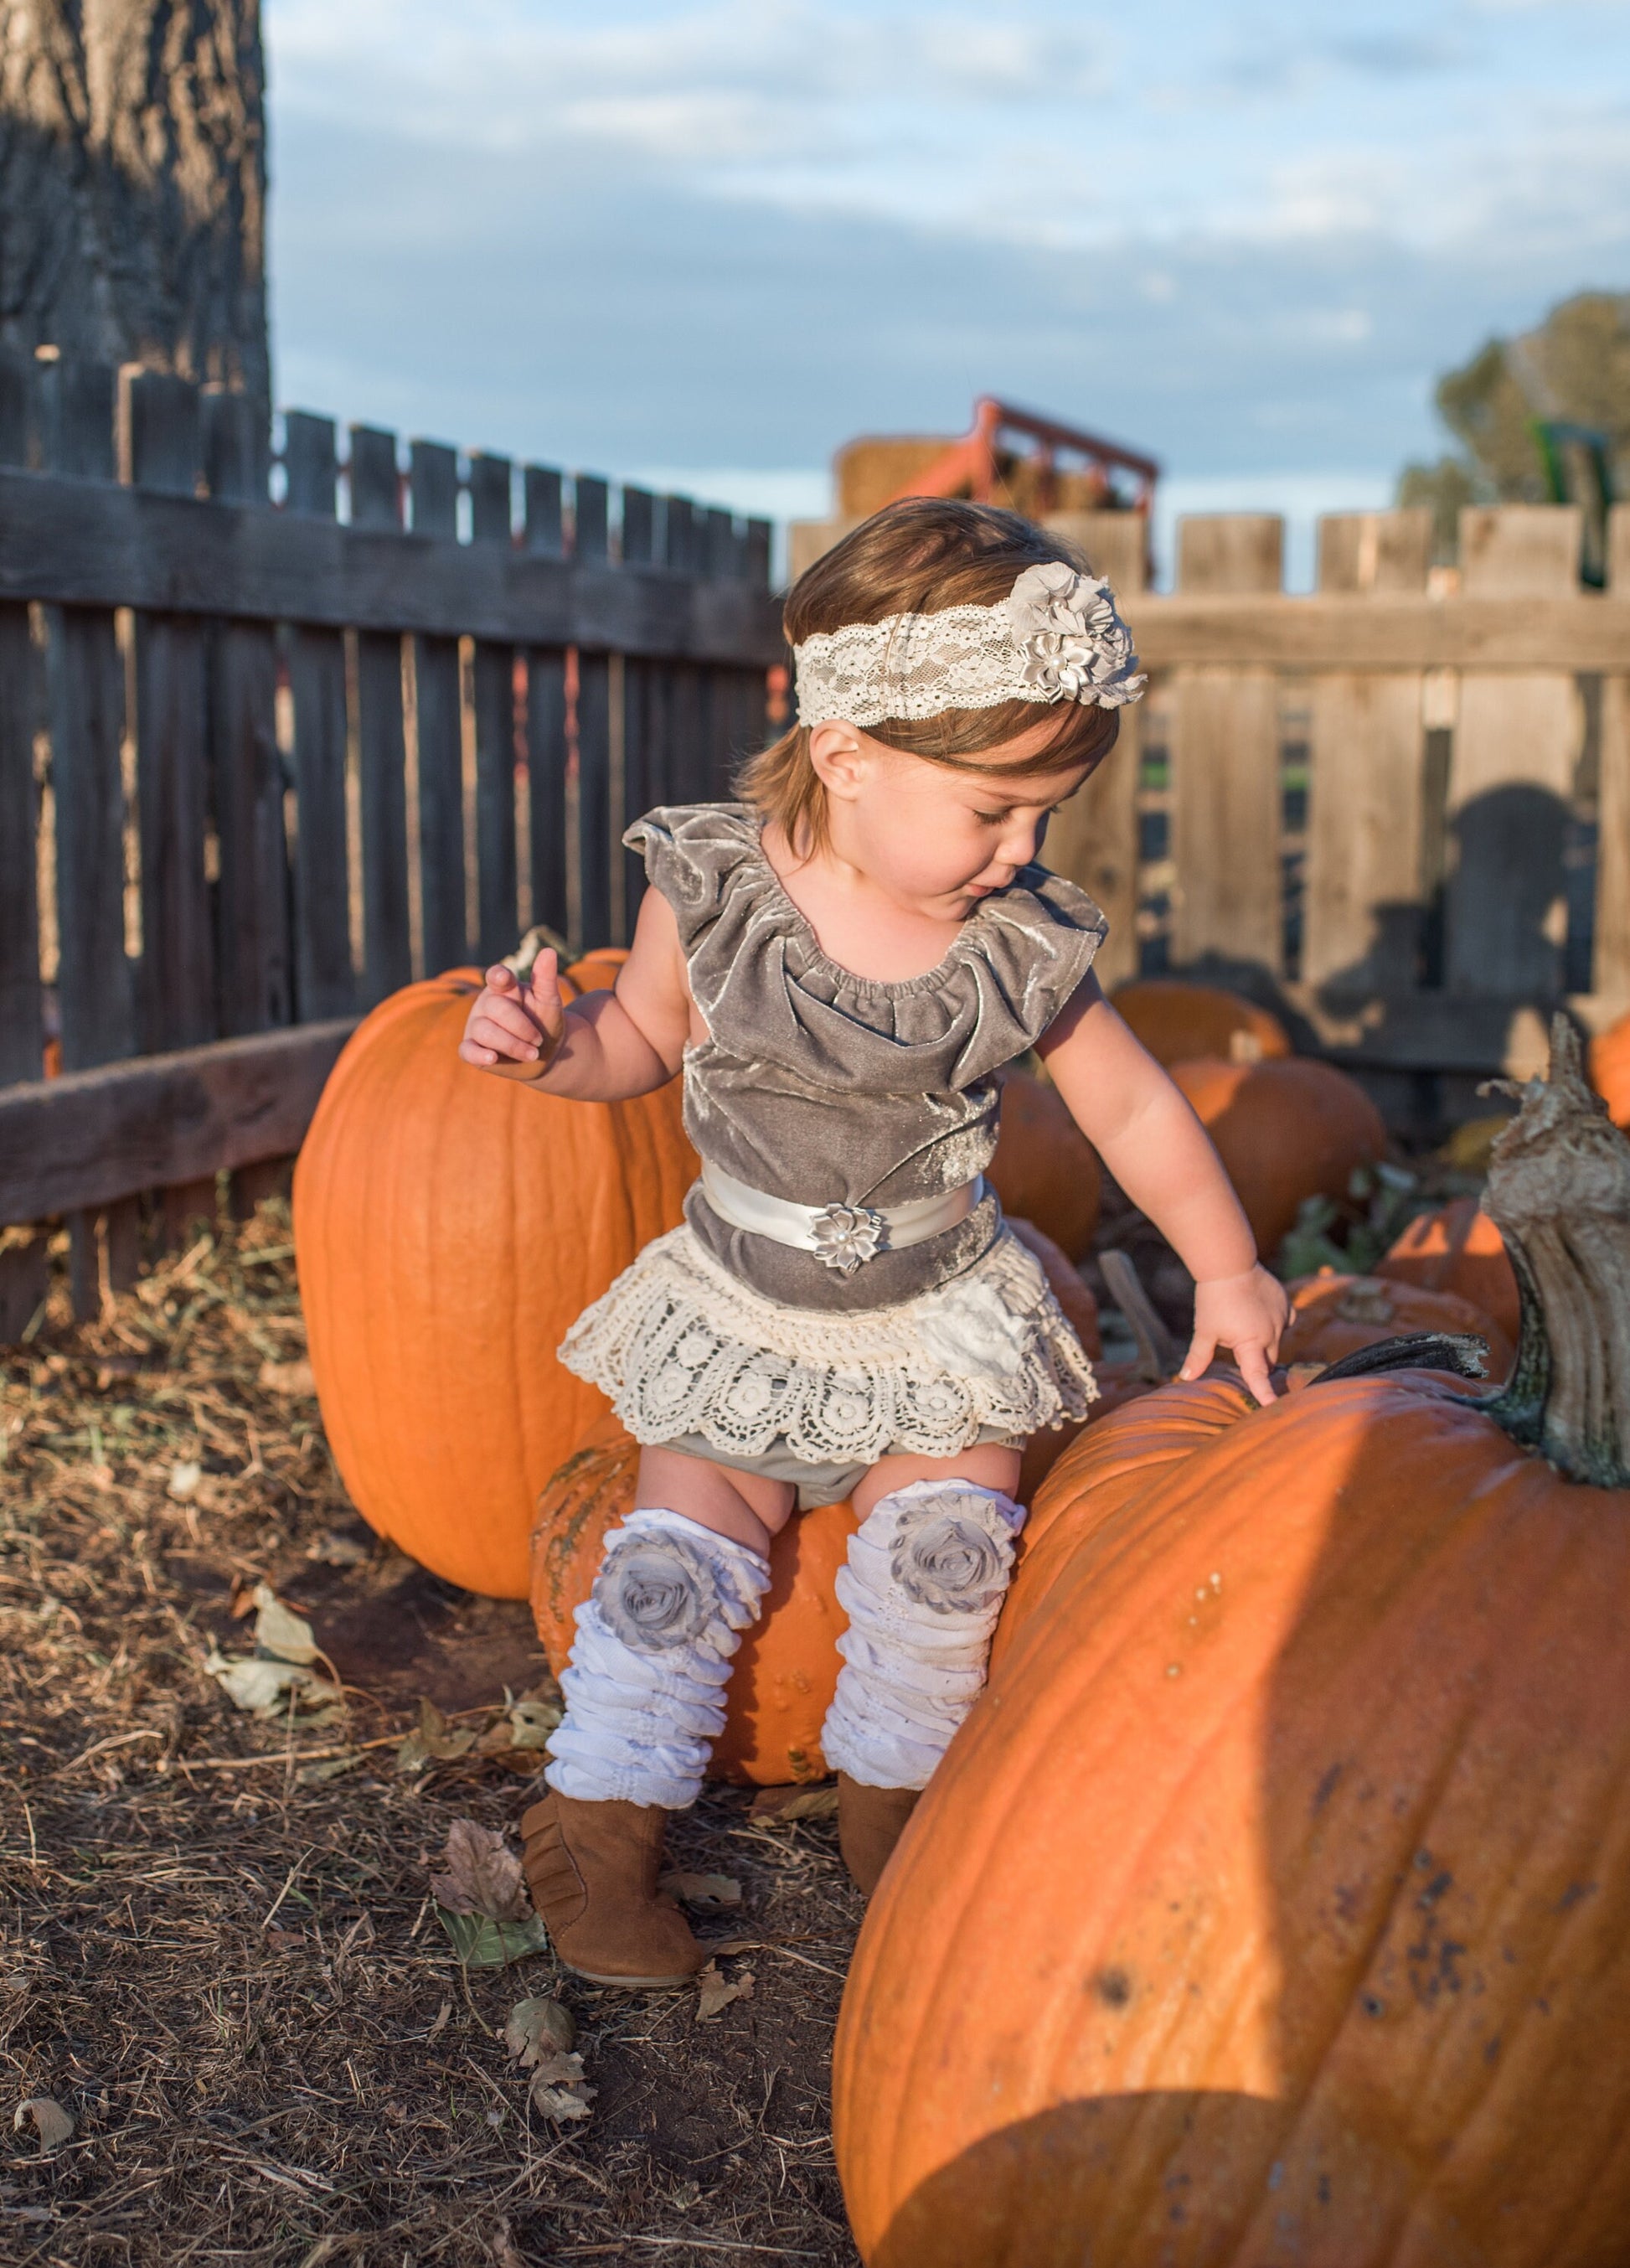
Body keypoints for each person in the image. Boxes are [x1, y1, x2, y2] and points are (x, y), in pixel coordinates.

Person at [459, 498, 1291, 1987]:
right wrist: (546, 1051)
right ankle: (594, 1839)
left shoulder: (1014, 941)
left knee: (948, 1561)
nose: (1021, 849)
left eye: (1048, 814)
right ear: (846, 759)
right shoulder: (716, 891)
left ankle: (900, 1814)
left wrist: (1226, 1268)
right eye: (993, 812)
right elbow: (639, 1037)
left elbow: (1135, 1112)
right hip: (745, 1306)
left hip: (933, 1315)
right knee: (668, 1576)